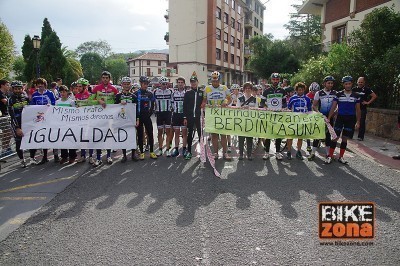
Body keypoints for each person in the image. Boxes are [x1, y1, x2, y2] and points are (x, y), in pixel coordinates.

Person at [327, 76, 361, 164]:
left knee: (345, 138)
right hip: (340, 118)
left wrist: (358, 121)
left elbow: (358, 110)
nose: (348, 85)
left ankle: (341, 157)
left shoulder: (356, 96)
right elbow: (333, 107)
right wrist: (329, 117)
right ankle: (330, 156)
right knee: (335, 137)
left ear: (352, 84)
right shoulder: (338, 94)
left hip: (350, 119)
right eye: (346, 84)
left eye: (349, 84)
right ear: (343, 85)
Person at [201, 71, 232, 160]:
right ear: (211, 80)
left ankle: (225, 153)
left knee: (223, 134)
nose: (215, 82)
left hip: (222, 113)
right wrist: (203, 105)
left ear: (219, 80)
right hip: (211, 114)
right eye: (213, 80)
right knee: (214, 134)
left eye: (216, 80)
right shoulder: (207, 88)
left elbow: (230, 99)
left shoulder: (224, 88)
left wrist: (226, 103)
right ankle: (215, 153)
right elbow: (204, 101)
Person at [92, 71, 119, 165]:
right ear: (101, 78)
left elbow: (118, 101)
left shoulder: (114, 89)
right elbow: (90, 100)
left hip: (110, 117)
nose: (105, 79)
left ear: (109, 78)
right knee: (99, 136)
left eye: (107, 78)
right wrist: (98, 101)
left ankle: (108, 156)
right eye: (103, 78)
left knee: (109, 136)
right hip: (99, 117)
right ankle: (98, 158)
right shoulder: (96, 88)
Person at [308, 76, 337, 161]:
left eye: (332, 83)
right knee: (318, 134)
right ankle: (312, 153)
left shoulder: (335, 93)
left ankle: (328, 154)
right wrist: (320, 114)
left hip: (330, 117)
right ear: (324, 83)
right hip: (321, 117)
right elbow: (314, 105)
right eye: (328, 83)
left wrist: (334, 113)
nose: (330, 85)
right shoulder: (319, 93)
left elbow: (337, 105)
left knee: (328, 136)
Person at [29, 78, 56, 165]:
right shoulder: (34, 94)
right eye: (38, 84)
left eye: (42, 84)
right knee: (41, 137)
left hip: (49, 118)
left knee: (50, 136)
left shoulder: (50, 93)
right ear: (36, 85)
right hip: (39, 119)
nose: (40, 86)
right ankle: (41, 157)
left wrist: (50, 105)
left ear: (45, 85)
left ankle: (51, 156)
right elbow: (31, 106)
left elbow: (54, 103)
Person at [261, 73, 287, 160]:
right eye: (274, 79)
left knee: (278, 134)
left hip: (279, 115)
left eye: (277, 79)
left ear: (279, 80)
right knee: (268, 134)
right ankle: (267, 152)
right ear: (271, 80)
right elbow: (262, 102)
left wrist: (284, 109)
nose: (275, 81)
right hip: (269, 115)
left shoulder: (282, 91)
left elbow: (284, 102)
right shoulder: (266, 91)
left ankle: (278, 152)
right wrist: (266, 108)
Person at [286, 82, 312, 160]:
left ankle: (299, 152)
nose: (301, 91)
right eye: (299, 90)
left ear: (304, 90)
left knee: (300, 137)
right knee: (290, 137)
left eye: (302, 90)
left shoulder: (307, 99)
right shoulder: (292, 98)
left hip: (302, 121)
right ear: (296, 90)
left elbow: (309, 110)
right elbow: (288, 109)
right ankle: (289, 152)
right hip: (293, 120)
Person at [133, 76, 157, 160]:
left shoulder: (149, 93)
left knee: (150, 133)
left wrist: (150, 113)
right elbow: (133, 105)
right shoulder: (136, 93)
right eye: (144, 84)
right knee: (140, 134)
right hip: (139, 117)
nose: (145, 85)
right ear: (141, 84)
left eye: (147, 84)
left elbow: (153, 103)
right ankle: (142, 152)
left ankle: (151, 151)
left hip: (147, 116)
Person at [115, 77, 138, 162]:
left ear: (130, 85)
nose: (126, 85)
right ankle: (124, 155)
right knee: (123, 136)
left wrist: (137, 119)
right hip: (122, 119)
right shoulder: (118, 96)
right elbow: (114, 108)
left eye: (128, 84)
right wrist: (119, 104)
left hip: (131, 119)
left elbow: (137, 108)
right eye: (124, 84)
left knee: (132, 136)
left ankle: (133, 154)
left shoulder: (134, 96)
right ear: (122, 85)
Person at [8, 81, 29, 167]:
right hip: (17, 123)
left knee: (30, 139)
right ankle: (22, 159)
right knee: (18, 142)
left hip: (26, 122)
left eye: (19, 88)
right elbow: (12, 115)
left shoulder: (25, 97)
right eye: (15, 89)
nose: (17, 90)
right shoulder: (11, 99)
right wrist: (17, 128)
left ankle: (31, 157)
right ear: (12, 89)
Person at [183, 73, 203, 160]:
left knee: (200, 135)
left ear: (197, 82)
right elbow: (184, 106)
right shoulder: (187, 93)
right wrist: (185, 117)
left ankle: (202, 152)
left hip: (199, 117)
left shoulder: (201, 93)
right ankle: (189, 151)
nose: (193, 83)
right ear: (190, 83)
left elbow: (204, 104)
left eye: (194, 82)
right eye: (192, 82)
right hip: (190, 117)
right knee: (190, 134)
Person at [55, 85, 77, 164]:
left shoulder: (71, 102)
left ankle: (72, 156)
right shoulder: (57, 102)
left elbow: (74, 112)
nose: (62, 93)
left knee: (71, 139)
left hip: (70, 123)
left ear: (67, 92)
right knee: (62, 140)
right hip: (61, 124)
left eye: (64, 91)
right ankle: (64, 156)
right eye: (61, 92)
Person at [153, 76, 173, 157]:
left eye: (166, 84)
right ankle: (160, 149)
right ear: (160, 84)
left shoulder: (171, 92)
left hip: (168, 113)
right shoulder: (155, 92)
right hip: (159, 113)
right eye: (162, 84)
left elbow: (173, 102)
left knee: (168, 131)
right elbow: (152, 102)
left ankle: (167, 149)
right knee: (160, 132)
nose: (164, 85)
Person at [352, 77, 377, 141]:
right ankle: (350, 135)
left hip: (362, 109)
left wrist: (368, 102)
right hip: (354, 108)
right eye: (359, 82)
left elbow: (374, 96)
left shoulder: (367, 89)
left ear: (364, 82)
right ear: (357, 82)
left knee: (362, 122)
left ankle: (360, 137)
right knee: (352, 121)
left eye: (361, 82)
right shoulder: (354, 89)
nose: (360, 83)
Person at [237, 82, 257, 160]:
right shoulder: (239, 99)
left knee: (249, 139)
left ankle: (249, 154)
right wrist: (242, 108)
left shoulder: (255, 100)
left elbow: (257, 110)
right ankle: (241, 154)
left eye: (249, 88)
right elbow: (237, 110)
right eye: (246, 88)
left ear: (251, 90)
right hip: (241, 122)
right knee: (241, 139)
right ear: (244, 90)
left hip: (250, 122)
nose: (248, 90)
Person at [171, 76, 188, 157]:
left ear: (184, 84)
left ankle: (184, 148)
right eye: (179, 82)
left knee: (184, 133)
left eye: (182, 83)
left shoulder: (187, 93)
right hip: (176, 115)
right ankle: (176, 149)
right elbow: (171, 104)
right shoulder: (173, 93)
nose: (180, 84)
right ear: (177, 84)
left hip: (184, 115)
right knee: (176, 133)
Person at [306, 82, 320, 152]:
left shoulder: (319, 94)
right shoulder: (308, 95)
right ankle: (308, 145)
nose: (314, 92)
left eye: (315, 91)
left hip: (316, 113)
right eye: (313, 91)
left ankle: (317, 141)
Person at [0, 79, 12, 157]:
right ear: (2, 85)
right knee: (7, 132)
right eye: (7, 85)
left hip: (6, 115)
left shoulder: (5, 93)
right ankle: (4, 149)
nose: (8, 86)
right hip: (2, 116)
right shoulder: (0, 93)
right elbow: (6, 101)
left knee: (8, 132)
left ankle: (6, 147)